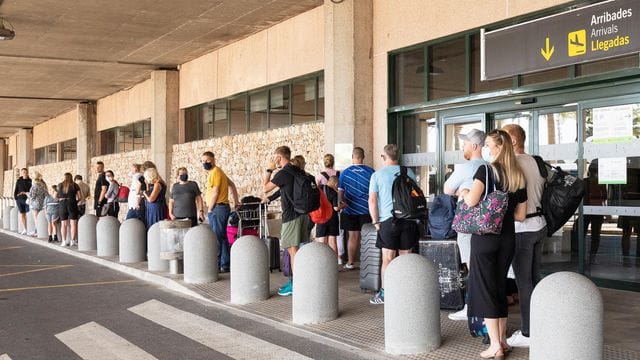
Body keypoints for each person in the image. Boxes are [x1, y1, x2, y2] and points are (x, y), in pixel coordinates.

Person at [460, 129, 527, 358]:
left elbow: (471, 201)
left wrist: (465, 190)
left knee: (486, 290)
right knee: (499, 288)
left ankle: (495, 345)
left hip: (485, 238)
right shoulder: (517, 175)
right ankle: (504, 341)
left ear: (497, 147)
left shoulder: (486, 170)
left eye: (488, 144)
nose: (486, 148)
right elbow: (521, 215)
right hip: (508, 238)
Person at [502, 124, 548, 348]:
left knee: (524, 283)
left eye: (502, 139)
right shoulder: (535, 161)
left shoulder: (514, 164)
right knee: (534, 279)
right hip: (540, 225)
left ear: (512, 141)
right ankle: (541, 325)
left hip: (523, 229)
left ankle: (529, 333)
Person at [442, 128, 487, 321]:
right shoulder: (491, 166)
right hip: (488, 222)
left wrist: (463, 191)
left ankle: (472, 308)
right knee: (485, 267)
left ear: (475, 146)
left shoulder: (465, 167)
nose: (463, 146)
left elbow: (447, 189)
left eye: (466, 143)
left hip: (469, 223)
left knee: (471, 266)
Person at [368, 144, 420, 305]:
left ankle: (385, 293)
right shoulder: (408, 172)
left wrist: (376, 222)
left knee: (388, 259)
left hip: (388, 221)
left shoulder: (377, 175)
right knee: (406, 258)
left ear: (384, 157)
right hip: (408, 220)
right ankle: (405, 292)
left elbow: (372, 201)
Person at [263, 146, 309, 296]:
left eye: (274, 157)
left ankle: (297, 284)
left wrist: (269, 170)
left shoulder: (283, 172)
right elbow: (283, 190)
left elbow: (265, 187)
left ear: (279, 157)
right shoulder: (296, 170)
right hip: (302, 214)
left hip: (291, 216)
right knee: (297, 249)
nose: (273, 160)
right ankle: (299, 281)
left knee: (292, 250)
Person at [202, 151, 239, 273]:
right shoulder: (218, 172)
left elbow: (216, 191)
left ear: (213, 160)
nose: (205, 163)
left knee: (216, 238)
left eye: (207, 160)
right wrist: (236, 201)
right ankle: (225, 264)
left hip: (218, 208)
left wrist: (210, 208)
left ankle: (215, 266)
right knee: (222, 237)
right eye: (202, 161)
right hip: (221, 207)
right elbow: (232, 185)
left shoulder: (216, 172)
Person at [338, 147, 375, 270]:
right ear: (363, 156)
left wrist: (341, 204)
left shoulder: (345, 172)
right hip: (366, 209)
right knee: (367, 237)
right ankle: (369, 263)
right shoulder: (371, 172)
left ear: (352, 157)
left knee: (353, 236)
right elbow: (375, 192)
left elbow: (340, 193)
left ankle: (350, 262)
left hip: (350, 209)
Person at [571, 159, 607, 265]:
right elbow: (604, 198)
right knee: (592, 235)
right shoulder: (597, 182)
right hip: (593, 210)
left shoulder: (588, 182)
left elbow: (603, 197)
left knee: (583, 233)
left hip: (590, 210)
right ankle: (589, 256)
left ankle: (582, 255)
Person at [316, 175, 340, 261]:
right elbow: (336, 208)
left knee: (322, 242)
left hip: (321, 218)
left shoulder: (320, 189)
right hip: (332, 219)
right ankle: (334, 262)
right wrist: (344, 205)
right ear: (336, 183)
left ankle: (322, 262)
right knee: (332, 241)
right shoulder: (334, 193)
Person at [57, 172, 81, 247]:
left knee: (63, 224)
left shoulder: (60, 185)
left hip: (62, 204)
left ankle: (64, 241)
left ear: (64, 177)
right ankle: (72, 241)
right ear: (71, 177)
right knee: (73, 224)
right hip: (72, 203)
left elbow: (56, 196)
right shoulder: (75, 185)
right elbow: (79, 196)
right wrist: (75, 201)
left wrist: (60, 199)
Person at [28, 172, 48, 236]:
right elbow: (46, 194)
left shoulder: (34, 185)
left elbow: (32, 196)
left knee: (36, 219)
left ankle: (37, 232)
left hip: (35, 203)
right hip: (42, 203)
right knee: (40, 218)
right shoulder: (43, 185)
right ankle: (38, 231)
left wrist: (27, 194)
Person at [14, 168, 32, 235]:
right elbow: (16, 189)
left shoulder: (30, 181)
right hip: (19, 199)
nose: (24, 173)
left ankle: (30, 228)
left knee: (28, 213)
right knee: (22, 214)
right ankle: (25, 229)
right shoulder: (19, 180)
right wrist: (16, 198)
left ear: (27, 173)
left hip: (27, 199)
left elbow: (31, 191)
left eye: (25, 172)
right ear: (22, 173)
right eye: (23, 172)